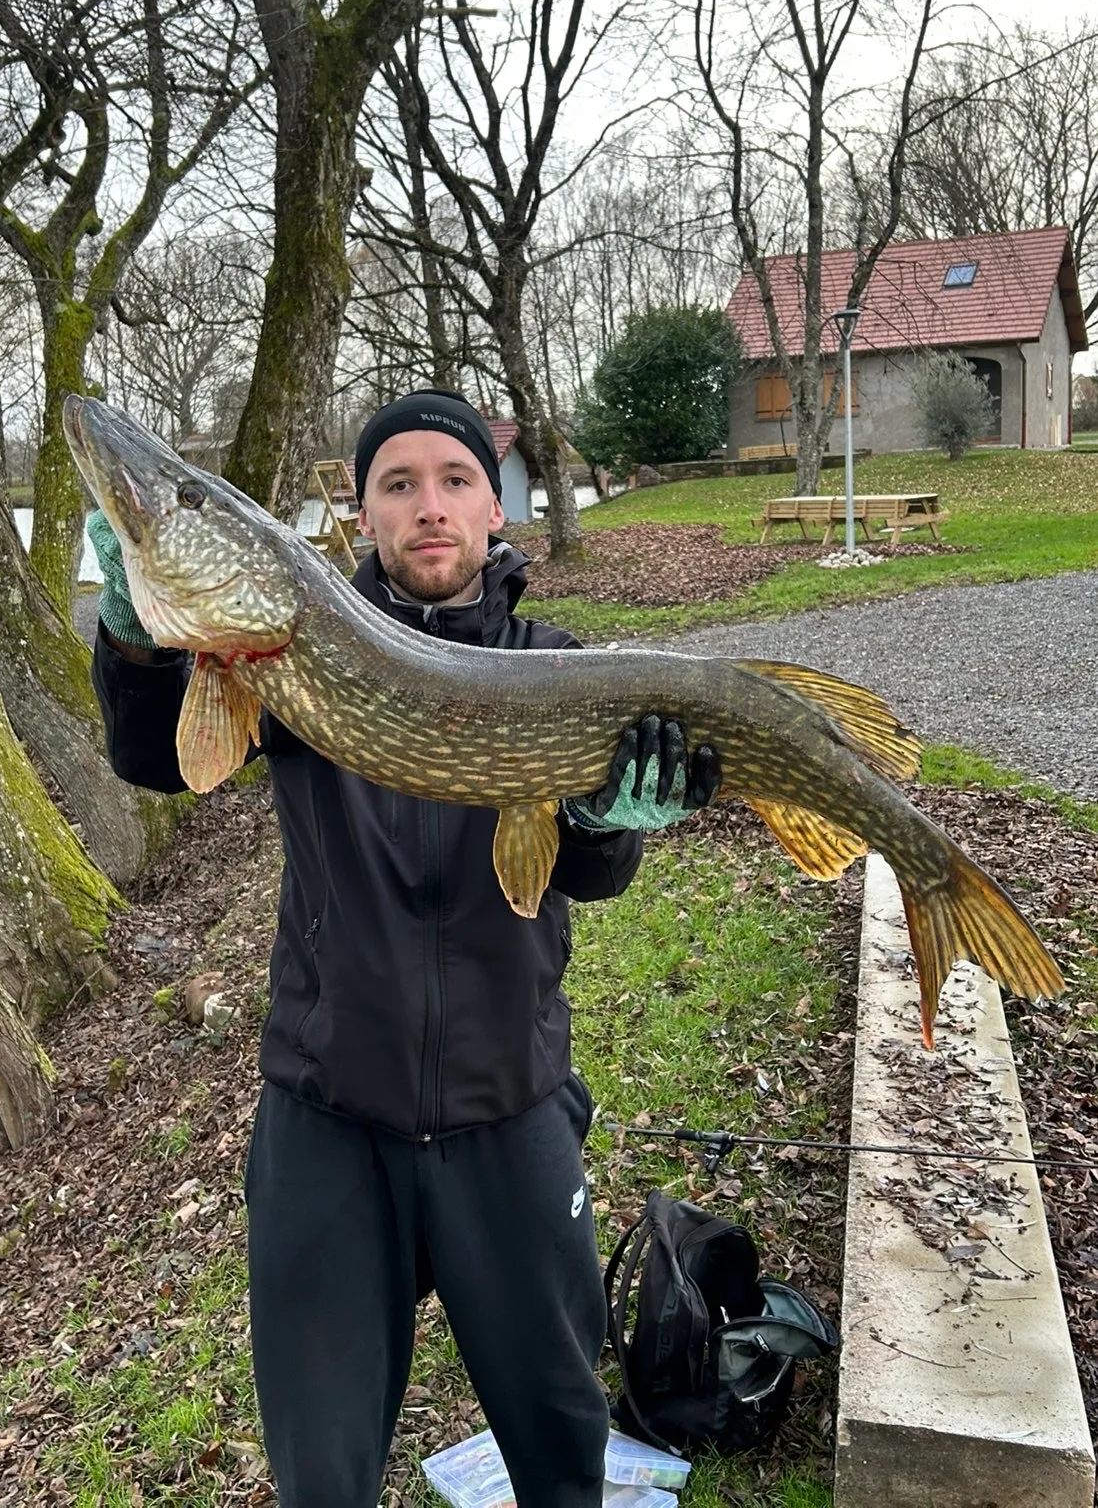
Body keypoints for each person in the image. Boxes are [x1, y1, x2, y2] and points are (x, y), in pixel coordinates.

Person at [88, 389, 721, 1508]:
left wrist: (604, 819)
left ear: (492, 509)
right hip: (328, 1121)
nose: (429, 506)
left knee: (563, 1459)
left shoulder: (557, 665)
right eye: (398, 484)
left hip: (510, 1108)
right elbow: (156, 760)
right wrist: (137, 642)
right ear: (364, 514)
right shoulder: (281, 650)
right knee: (321, 1480)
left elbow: (589, 875)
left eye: (455, 479)